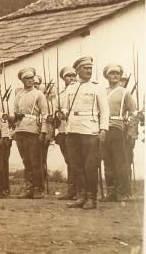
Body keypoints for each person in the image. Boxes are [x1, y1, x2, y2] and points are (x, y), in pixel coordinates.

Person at [61, 56, 109, 210]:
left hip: (90, 130)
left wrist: (103, 130)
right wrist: (62, 112)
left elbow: (105, 111)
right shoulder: (71, 88)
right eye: (85, 68)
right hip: (72, 130)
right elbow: (65, 108)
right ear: (78, 70)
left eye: (90, 68)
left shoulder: (97, 88)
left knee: (90, 166)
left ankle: (91, 198)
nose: (89, 71)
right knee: (76, 165)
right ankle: (81, 196)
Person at [9, 68, 49, 199]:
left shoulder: (39, 94)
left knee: (35, 161)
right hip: (20, 130)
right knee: (26, 161)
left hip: (33, 130)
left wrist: (43, 131)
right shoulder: (19, 95)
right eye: (27, 78)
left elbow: (45, 114)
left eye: (32, 78)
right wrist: (13, 119)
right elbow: (14, 113)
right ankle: (29, 188)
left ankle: (38, 189)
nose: (30, 80)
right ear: (22, 80)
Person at [102, 64, 137, 202]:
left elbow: (134, 113)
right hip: (104, 129)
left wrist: (132, 131)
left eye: (117, 73)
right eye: (112, 73)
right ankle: (111, 191)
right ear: (107, 76)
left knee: (120, 162)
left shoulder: (125, 93)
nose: (115, 75)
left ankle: (122, 191)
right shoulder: (102, 91)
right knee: (107, 161)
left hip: (118, 129)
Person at [55, 67, 78, 200]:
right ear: (63, 78)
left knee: (76, 161)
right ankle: (71, 190)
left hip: (74, 130)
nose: (71, 78)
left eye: (73, 75)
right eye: (68, 76)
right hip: (63, 130)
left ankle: (79, 190)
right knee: (69, 160)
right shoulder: (61, 94)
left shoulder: (78, 91)